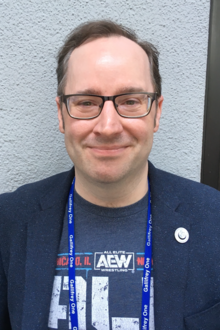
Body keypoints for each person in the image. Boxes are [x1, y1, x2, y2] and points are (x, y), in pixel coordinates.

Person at [0, 20, 220, 330]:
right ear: (61, 115)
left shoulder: (214, 219)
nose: (108, 127)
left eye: (130, 101)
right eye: (86, 102)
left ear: (156, 112)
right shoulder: (9, 221)